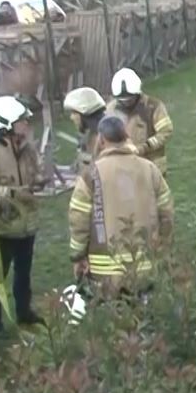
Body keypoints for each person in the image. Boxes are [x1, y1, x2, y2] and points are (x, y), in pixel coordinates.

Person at [68, 115, 174, 294]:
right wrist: (164, 246)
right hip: (145, 267)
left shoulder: (90, 175)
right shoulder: (150, 169)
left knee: (113, 317)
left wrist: (77, 256)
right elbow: (167, 211)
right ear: (127, 137)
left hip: (105, 273)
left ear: (101, 140)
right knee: (144, 315)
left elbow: (79, 218)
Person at [0, 95, 43, 334]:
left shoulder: (27, 149)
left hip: (27, 224)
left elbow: (35, 174)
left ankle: (24, 312)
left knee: (23, 274)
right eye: (22, 120)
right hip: (3, 226)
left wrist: (38, 181)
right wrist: (13, 193)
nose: (26, 124)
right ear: (5, 124)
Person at [106, 68, 174, 175]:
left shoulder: (153, 106)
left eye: (130, 99)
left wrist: (143, 148)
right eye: (122, 100)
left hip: (152, 168)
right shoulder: (110, 109)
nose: (126, 103)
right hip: (124, 169)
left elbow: (165, 132)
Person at [62, 86, 106, 172]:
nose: (71, 117)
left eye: (74, 113)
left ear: (85, 114)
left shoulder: (101, 140)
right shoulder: (90, 136)